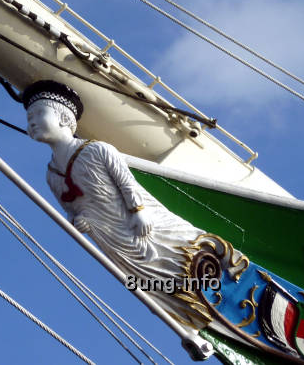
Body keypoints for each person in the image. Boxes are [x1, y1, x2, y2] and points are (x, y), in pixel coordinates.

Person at [23, 80, 216, 330]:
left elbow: (126, 183)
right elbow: (71, 211)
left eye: (39, 113)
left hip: (139, 224)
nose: (32, 122)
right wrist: (78, 221)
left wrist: (138, 211)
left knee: (170, 254)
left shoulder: (98, 150)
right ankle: (179, 307)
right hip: (110, 238)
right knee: (143, 279)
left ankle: (205, 283)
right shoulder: (51, 175)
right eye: (29, 117)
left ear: (63, 117)